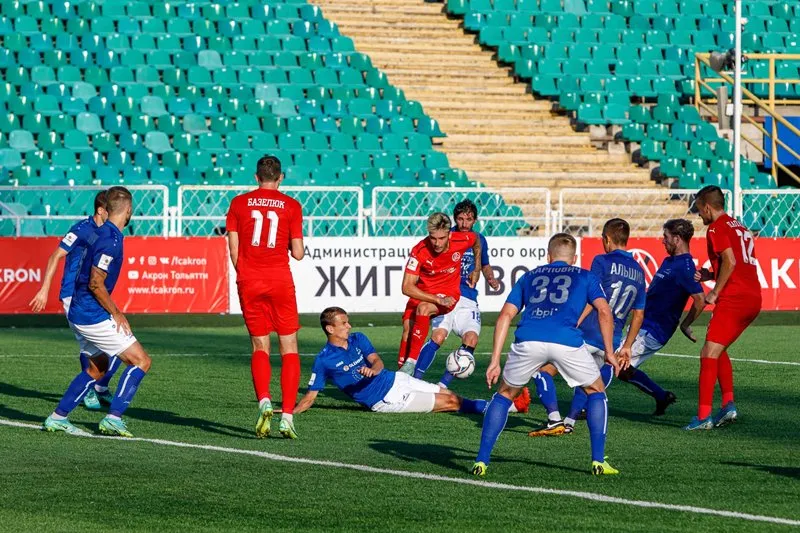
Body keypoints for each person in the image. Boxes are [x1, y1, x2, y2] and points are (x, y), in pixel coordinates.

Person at [472, 233, 625, 477]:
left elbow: (505, 316)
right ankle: (598, 461)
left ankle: (481, 461)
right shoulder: (586, 276)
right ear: (574, 258)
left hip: (529, 339)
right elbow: (604, 312)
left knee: (505, 395)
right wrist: (609, 352)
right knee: (596, 391)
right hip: (566, 340)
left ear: (548, 256)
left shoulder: (529, 276)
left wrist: (494, 361)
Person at [43, 186, 152, 438]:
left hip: (79, 310)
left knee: (97, 368)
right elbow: (95, 282)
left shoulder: (98, 233)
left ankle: (58, 417)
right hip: (91, 314)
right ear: (128, 210)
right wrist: (116, 313)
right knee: (141, 361)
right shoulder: (110, 240)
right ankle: (113, 418)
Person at [294, 307, 530, 415]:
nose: (349, 326)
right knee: (450, 403)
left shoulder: (358, 338)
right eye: (344, 323)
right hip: (386, 400)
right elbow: (310, 397)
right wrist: (288, 413)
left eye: (348, 321)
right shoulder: (324, 360)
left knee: (450, 395)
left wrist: (373, 370)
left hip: (397, 380)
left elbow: (377, 361)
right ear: (330, 329)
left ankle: (509, 406)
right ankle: (509, 407)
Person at [530, 219, 645, 436]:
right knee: (591, 380)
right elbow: (639, 313)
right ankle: (570, 421)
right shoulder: (639, 270)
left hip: (587, 332)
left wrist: (574, 322)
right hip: (611, 339)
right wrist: (627, 346)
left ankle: (553, 418)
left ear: (607, 239)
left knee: (543, 372)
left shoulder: (602, 261)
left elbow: (592, 299)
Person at [226, 155, 304, 439]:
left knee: (260, 345)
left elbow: (233, 248)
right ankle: (288, 417)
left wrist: (246, 274)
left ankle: (264, 401)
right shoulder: (292, 206)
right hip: (280, 280)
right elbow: (298, 253)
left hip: (250, 280)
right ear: (280, 177)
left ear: (256, 177)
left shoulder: (238, 203)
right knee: (289, 347)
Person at [30, 191, 122, 410]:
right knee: (91, 345)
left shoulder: (107, 234)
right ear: (101, 210)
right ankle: (88, 390)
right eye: (110, 210)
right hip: (73, 295)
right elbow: (55, 256)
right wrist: (44, 289)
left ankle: (99, 387)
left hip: (90, 296)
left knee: (120, 343)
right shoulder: (81, 229)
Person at [686, 186, 761, 430]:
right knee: (719, 348)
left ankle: (703, 417)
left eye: (699, 209)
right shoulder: (740, 227)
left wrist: (715, 291)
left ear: (707, 207)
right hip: (753, 297)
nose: (699, 215)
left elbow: (730, 260)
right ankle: (728, 405)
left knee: (708, 353)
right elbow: (736, 262)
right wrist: (711, 274)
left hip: (734, 297)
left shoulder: (716, 228)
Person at [412, 200, 501, 388]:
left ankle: (442, 385)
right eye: (460, 219)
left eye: (468, 219)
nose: (464, 223)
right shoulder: (445, 237)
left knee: (472, 339)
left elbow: (484, 264)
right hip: (446, 296)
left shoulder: (479, 239)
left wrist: (490, 278)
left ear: (475, 220)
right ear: (455, 219)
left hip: (468, 298)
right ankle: (415, 380)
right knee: (438, 336)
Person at [397, 212, 481, 377]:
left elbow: (476, 240)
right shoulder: (419, 250)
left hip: (449, 295)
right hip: (425, 294)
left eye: (441, 238)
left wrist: (476, 268)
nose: (437, 243)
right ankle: (402, 375)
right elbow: (406, 287)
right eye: (433, 238)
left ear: (449, 234)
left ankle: (411, 363)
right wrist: (436, 299)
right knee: (408, 329)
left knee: (424, 309)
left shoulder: (462, 239)